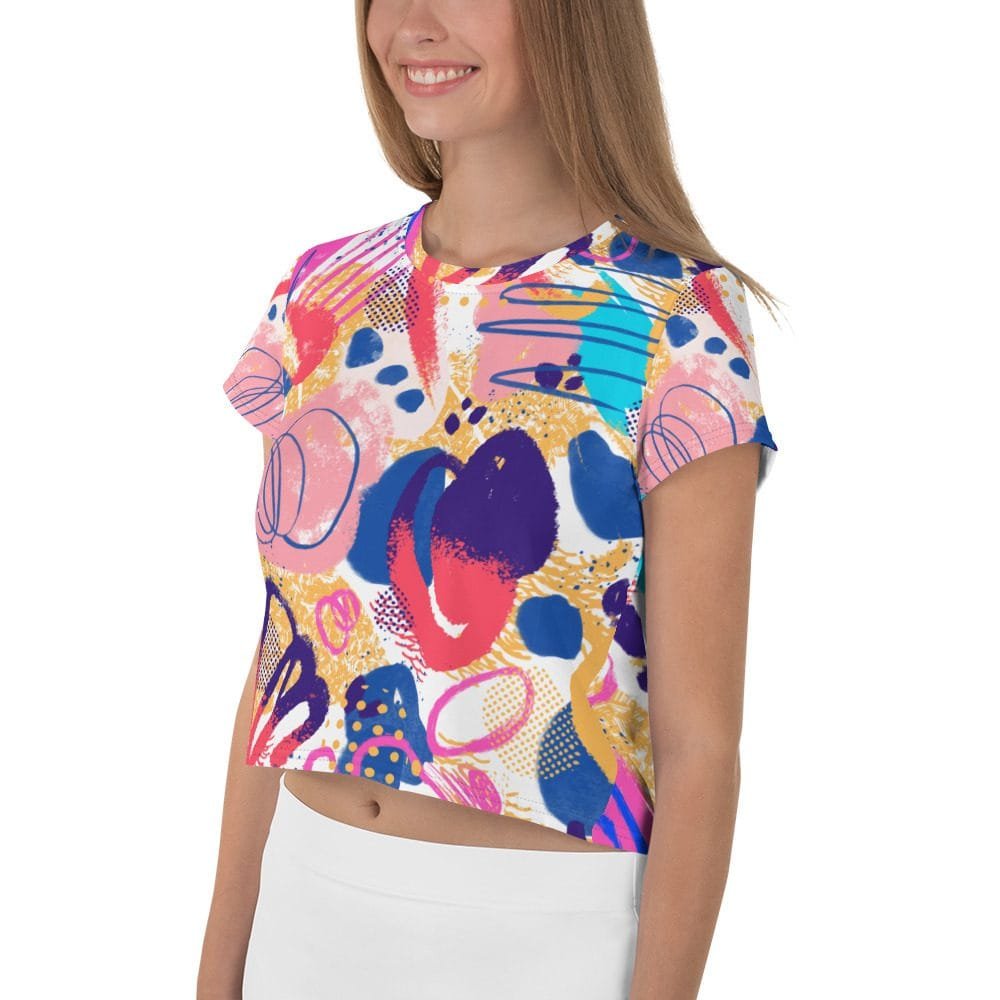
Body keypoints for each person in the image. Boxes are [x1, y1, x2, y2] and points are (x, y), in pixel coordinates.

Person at [198, 1, 781, 998]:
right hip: (305, 908)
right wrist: (219, 970)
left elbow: (699, 748)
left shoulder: (674, 320)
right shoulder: (321, 294)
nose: (413, 22)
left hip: (539, 942)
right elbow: (281, 656)